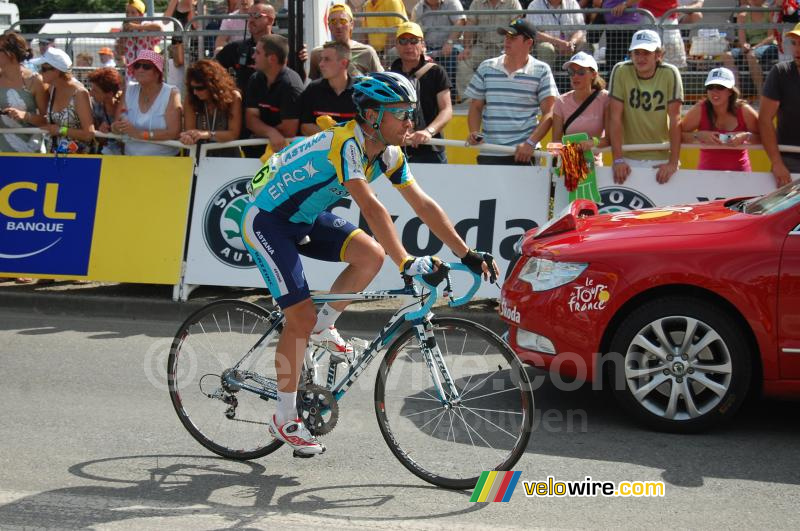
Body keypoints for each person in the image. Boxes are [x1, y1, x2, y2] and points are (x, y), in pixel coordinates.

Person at [240, 72, 497, 455]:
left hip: (304, 218)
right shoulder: (347, 143)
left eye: (411, 113)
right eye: (401, 114)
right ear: (373, 115)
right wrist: (406, 261)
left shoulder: (390, 153)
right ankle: (283, 416)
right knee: (299, 319)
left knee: (370, 255)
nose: (410, 122)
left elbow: (423, 204)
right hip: (267, 221)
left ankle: (324, 325)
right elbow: (372, 209)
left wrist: (465, 253)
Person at [464, 18, 558, 165]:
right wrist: (474, 131)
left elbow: (550, 113)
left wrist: (530, 143)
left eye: (513, 38)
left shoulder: (542, 70)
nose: (507, 41)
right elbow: (475, 107)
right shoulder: (486, 67)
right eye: (506, 37)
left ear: (529, 43)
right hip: (489, 151)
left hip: (525, 154)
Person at [608, 30, 682, 184]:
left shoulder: (670, 73)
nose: (640, 58)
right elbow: (614, 117)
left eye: (646, 53)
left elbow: (675, 119)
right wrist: (618, 159)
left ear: (658, 55)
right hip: (627, 157)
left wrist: (673, 162)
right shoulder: (620, 70)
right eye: (637, 53)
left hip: (661, 158)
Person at [390, 21, 453, 163]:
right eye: (403, 41)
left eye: (414, 41)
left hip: (431, 149)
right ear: (396, 45)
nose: (409, 46)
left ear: (422, 44)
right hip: (397, 149)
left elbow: (447, 110)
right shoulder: (390, 75)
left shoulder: (436, 71)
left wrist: (428, 132)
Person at [680, 67, 760, 172]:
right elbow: (678, 135)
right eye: (710, 87)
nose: (714, 92)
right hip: (706, 176)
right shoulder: (700, 109)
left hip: (741, 176)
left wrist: (746, 136)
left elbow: (766, 137)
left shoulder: (744, 110)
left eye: (720, 87)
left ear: (730, 91)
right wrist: (698, 135)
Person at [112, 50, 182, 156]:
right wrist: (116, 127)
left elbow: (174, 133)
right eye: (137, 66)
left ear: (158, 72)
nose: (140, 69)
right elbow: (115, 126)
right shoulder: (129, 90)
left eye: (146, 66)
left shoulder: (171, 93)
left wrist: (140, 134)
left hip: (164, 162)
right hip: (131, 160)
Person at [244, 35, 304, 155]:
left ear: (272, 59)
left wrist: (260, 131)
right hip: (258, 150)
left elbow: (289, 130)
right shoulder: (255, 79)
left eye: (258, 52)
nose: (253, 56)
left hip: (286, 155)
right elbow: (250, 119)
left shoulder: (291, 85)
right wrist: (271, 132)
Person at [759, 22, 800, 186]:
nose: (797, 49)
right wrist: (777, 163)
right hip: (788, 161)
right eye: (795, 43)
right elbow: (764, 120)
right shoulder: (780, 72)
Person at [456, 0, 522, 102]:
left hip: (504, 47)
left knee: (512, 62)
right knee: (463, 60)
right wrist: (467, 48)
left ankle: (508, 99)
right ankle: (469, 99)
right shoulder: (476, 3)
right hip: (482, 46)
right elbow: (470, 27)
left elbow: (517, 27)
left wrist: (511, 47)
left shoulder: (513, 2)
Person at [551, 51, 610, 166]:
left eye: (581, 72)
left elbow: (610, 139)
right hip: (569, 169)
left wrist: (592, 143)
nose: (575, 76)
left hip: (595, 170)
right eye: (571, 72)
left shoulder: (605, 98)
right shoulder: (560, 102)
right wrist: (567, 151)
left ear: (593, 74)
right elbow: (555, 143)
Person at [37, 48, 95, 154]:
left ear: (57, 70)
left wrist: (60, 130)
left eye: (43, 69)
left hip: (77, 160)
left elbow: (89, 134)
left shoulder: (79, 93)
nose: (40, 72)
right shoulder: (51, 89)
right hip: (54, 156)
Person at [180, 59, 243, 157]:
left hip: (227, 156)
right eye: (192, 88)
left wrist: (207, 134)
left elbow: (233, 134)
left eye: (200, 88)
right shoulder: (190, 99)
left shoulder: (233, 97)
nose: (195, 92)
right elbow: (190, 130)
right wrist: (188, 137)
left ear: (213, 86)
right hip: (199, 156)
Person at [308, 3, 383, 80]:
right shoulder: (317, 53)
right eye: (333, 21)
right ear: (329, 26)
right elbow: (314, 86)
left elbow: (382, 81)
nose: (338, 26)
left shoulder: (367, 52)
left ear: (351, 24)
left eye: (343, 21)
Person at [0, 31, 47, 154]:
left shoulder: (35, 81)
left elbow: (48, 119)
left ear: (11, 54)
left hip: (29, 151)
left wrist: (25, 116)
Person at [215, 1, 278, 92]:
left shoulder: (282, 48)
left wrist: (300, 59)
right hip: (245, 103)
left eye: (256, 15)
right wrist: (229, 91)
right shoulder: (237, 48)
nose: (251, 20)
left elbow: (297, 78)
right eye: (249, 16)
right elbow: (211, 70)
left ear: (270, 20)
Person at [410, 0, 466, 102]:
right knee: (417, 61)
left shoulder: (452, 3)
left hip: (451, 46)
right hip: (428, 48)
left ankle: (450, 100)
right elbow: (415, 31)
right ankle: (423, 101)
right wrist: (421, 47)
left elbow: (460, 22)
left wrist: (449, 42)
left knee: (452, 57)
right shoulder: (418, 8)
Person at [722, 0, 779, 98]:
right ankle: (736, 94)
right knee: (727, 56)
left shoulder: (770, 12)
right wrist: (744, 45)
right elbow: (742, 38)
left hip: (768, 46)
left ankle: (762, 95)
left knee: (751, 55)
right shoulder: (742, 16)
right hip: (751, 47)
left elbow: (771, 37)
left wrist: (755, 47)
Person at [299, 41, 357, 136]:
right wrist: (333, 137)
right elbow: (305, 126)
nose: (321, 64)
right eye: (321, 59)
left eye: (327, 59)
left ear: (343, 63)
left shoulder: (361, 92)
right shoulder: (313, 89)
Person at [524, 0, 591, 73]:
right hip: (549, 44)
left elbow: (580, 29)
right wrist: (559, 43)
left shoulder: (572, 3)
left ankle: (582, 80)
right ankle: (546, 80)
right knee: (546, 48)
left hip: (570, 45)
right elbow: (535, 33)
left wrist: (571, 43)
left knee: (585, 46)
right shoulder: (535, 5)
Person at [87, 67, 124, 155]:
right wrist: (101, 132)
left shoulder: (126, 108)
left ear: (110, 94)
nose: (90, 93)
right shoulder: (94, 106)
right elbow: (98, 140)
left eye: (95, 91)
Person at [117, 0, 164, 69]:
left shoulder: (145, 25)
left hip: (146, 68)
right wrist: (122, 38)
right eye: (127, 12)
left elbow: (158, 28)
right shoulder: (124, 29)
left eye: (133, 13)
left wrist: (137, 27)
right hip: (131, 69)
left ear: (141, 15)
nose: (129, 15)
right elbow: (121, 52)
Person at [165, 0, 196, 67]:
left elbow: (196, 25)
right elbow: (165, 21)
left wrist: (191, 4)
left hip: (193, 46)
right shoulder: (175, 4)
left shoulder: (198, 5)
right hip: (177, 45)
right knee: (176, 73)